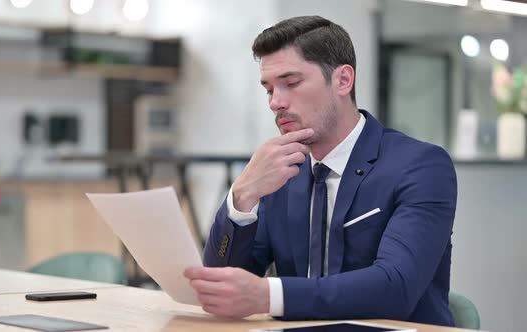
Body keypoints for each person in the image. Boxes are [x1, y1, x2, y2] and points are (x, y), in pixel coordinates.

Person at [183, 15, 457, 326]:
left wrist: (268, 295)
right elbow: (224, 288)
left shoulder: (421, 166)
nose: (275, 101)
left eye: (291, 83)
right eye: (269, 89)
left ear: (343, 80)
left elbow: (395, 287)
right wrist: (243, 194)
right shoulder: (282, 172)